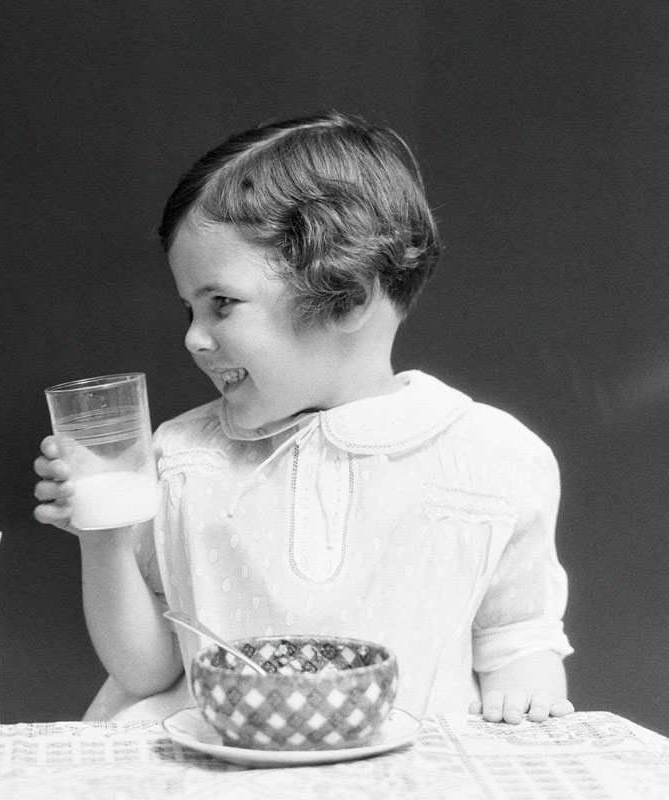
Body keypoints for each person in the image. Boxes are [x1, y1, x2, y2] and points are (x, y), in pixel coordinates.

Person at [34, 111, 574, 725]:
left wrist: (526, 683)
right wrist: (103, 537)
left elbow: (519, 639)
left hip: (404, 770)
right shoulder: (184, 458)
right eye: (189, 309)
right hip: (213, 765)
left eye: (221, 304)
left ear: (349, 296)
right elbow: (144, 671)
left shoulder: (491, 460)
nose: (193, 338)